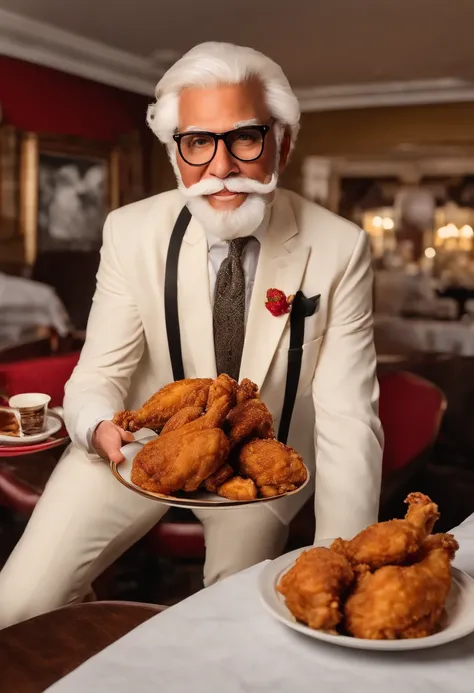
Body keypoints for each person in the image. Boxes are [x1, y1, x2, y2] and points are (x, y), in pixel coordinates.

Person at [0, 42, 383, 628]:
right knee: (17, 605)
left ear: (284, 141)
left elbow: (349, 419)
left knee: (232, 621)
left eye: (246, 138)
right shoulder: (129, 232)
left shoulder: (339, 247)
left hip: (260, 464)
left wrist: (343, 564)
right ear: (176, 151)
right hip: (132, 449)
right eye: (198, 142)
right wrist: (100, 427)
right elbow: (99, 372)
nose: (221, 168)